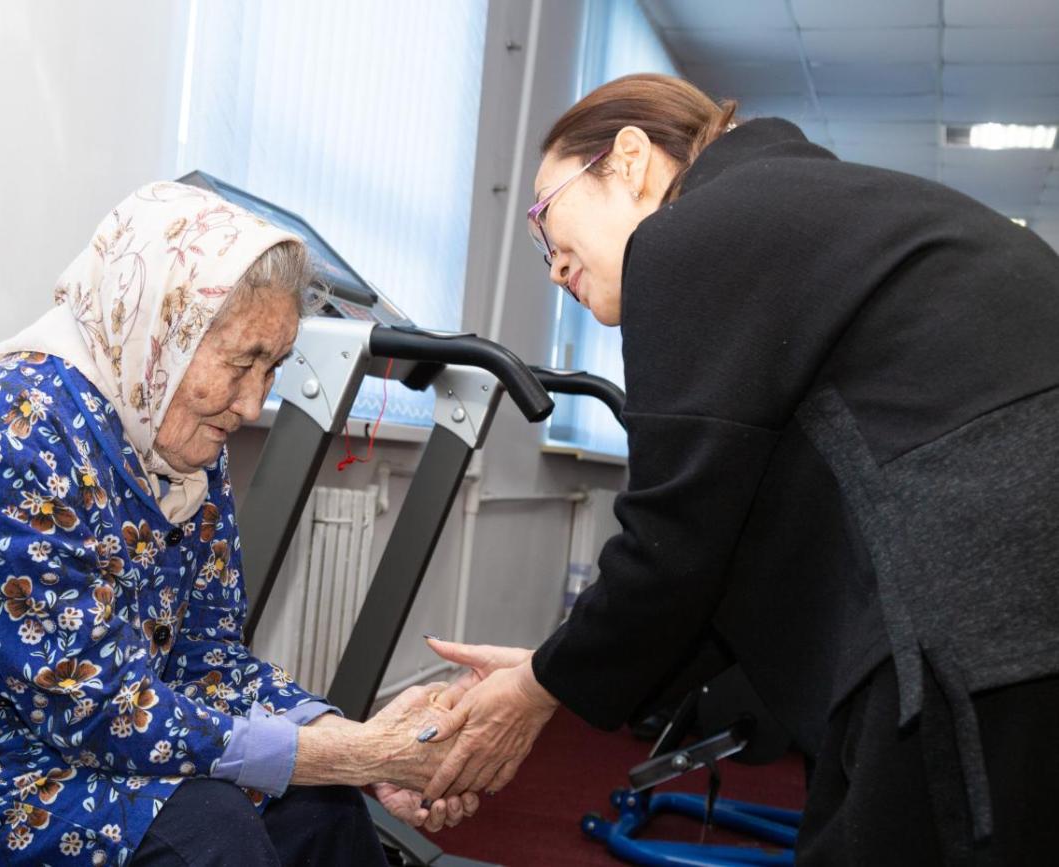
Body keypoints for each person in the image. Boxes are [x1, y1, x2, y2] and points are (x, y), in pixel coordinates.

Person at [420, 73, 1059, 865]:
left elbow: (673, 534)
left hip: (983, 590)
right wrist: (556, 666)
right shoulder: (797, 206)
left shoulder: (694, 234)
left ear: (628, 160)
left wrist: (541, 686)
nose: (551, 266)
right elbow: (731, 536)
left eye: (545, 218)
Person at [0, 182, 478, 866]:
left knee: (318, 810)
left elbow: (209, 660)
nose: (252, 402)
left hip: (49, 730)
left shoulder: (186, 449)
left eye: (274, 367)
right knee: (208, 830)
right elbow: (98, 711)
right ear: (161, 333)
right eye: (241, 363)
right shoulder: (14, 431)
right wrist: (358, 754)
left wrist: (366, 745)